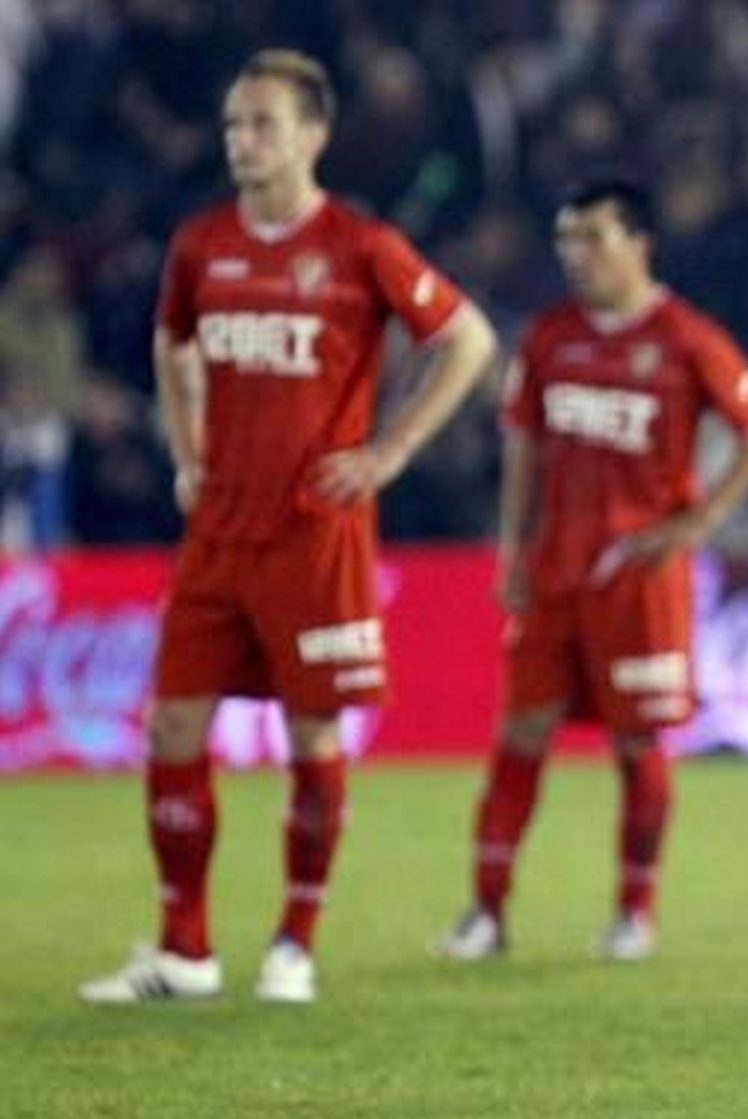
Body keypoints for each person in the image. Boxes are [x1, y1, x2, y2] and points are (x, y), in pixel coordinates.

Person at [80, 49, 497, 1005]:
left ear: (314, 134)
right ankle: (184, 947)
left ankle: (294, 942)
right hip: (221, 529)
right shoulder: (201, 245)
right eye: (233, 124)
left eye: (262, 123)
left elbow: (466, 339)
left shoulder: (358, 244)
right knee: (174, 722)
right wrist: (187, 451)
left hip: (315, 531)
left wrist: (390, 451)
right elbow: (171, 343)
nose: (242, 140)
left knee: (313, 737)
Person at [435, 175, 748, 964]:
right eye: (567, 239)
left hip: (639, 576)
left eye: (594, 236)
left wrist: (700, 517)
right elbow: (524, 446)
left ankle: (635, 911)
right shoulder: (549, 336)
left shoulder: (685, 336)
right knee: (519, 734)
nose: (578, 254)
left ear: (640, 243)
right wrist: (512, 548)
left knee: (638, 743)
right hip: (556, 571)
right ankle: (486, 913)